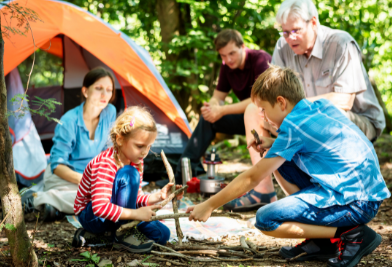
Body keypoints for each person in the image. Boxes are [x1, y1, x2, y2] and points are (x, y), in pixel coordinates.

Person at [187, 65, 390, 267]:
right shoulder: (318, 106)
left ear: (281, 102)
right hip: (365, 192)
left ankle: (351, 235)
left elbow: (252, 178)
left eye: (264, 110)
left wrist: (209, 205)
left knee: (266, 219)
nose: (264, 118)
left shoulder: (293, 127)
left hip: (356, 203)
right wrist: (272, 144)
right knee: (280, 160)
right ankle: (321, 242)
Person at [176, 29, 277, 212]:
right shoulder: (226, 67)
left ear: (243, 47)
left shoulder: (260, 59)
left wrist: (221, 110)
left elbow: (259, 99)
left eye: (232, 53)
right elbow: (218, 96)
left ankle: (263, 188)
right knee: (208, 120)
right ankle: (184, 173)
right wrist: (212, 107)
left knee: (248, 110)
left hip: (268, 118)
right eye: (224, 56)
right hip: (246, 118)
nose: (228, 59)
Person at [72, 106, 184, 252]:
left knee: (162, 235)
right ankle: (121, 234)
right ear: (119, 139)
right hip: (92, 216)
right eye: (139, 146)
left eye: (149, 146)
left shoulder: (137, 161)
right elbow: (99, 208)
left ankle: (99, 236)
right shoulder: (106, 163)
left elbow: (135, 199)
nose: (144, 152)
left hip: (119, 215)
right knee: (128, 173)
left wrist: (160, 196)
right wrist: (136, 214)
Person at [271, 0, 385, 142]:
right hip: (306, 119)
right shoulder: (283, 46)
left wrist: (297, 106)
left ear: (313, 23)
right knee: (259, 113)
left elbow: (344, 101)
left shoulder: (341, 43)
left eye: (296, 30)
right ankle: (269, 162)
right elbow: (275, 94)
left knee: (326, 115)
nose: (290, 38)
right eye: (286, 32)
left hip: (357, 120)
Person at [23, 67, 117, 221]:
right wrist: (90, 181)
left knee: (111, 194)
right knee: (102, 199)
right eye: (99, 88)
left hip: (90, 177)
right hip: (63, 176)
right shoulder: (68, 121)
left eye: (109, 90)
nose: (104, 95)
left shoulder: (110, 112)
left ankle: (53, 205)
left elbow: (110, 150)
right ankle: (37, 200)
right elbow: (57, 166)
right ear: (85, 91)